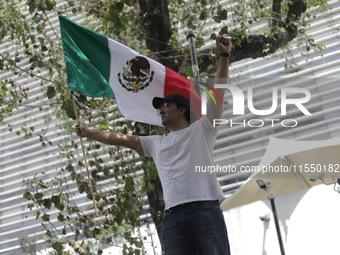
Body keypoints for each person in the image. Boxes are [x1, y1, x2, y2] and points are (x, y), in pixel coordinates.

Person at [75, 35, 232, 255]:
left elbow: (219, 92)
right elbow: (118, 138)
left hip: (204, 211)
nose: (160, 110)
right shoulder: (155, 143)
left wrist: (224, 56)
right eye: (159, 107)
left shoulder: (202, 130)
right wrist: (89, 132)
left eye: (165, 105)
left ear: (182, 109)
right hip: (173, 219)